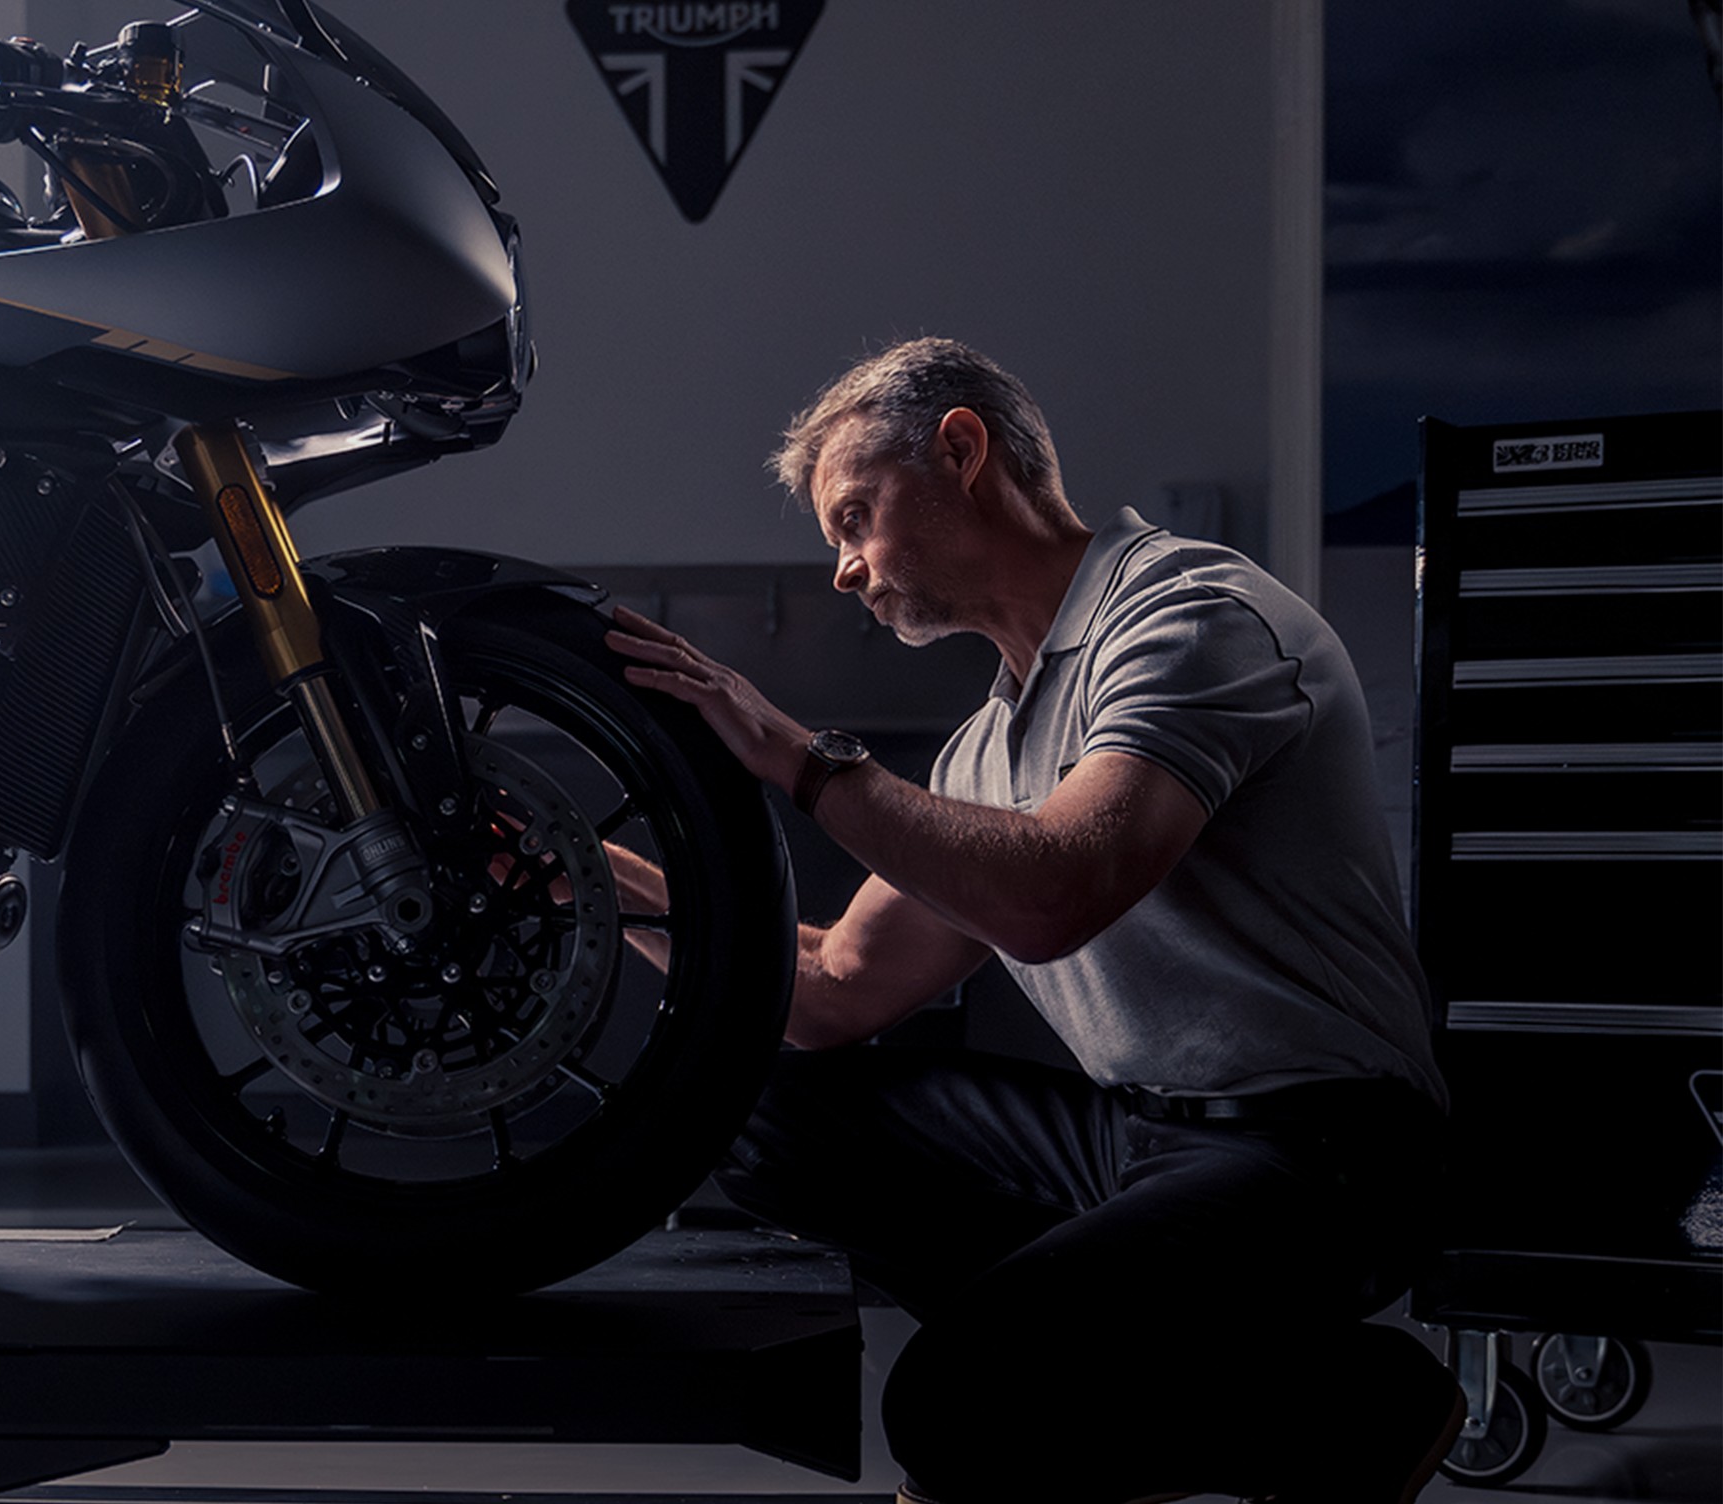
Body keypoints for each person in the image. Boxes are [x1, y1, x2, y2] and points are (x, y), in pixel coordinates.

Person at [602, 338, 1465, 1503]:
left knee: (949, 1408)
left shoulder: (1188, 616)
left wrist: (798, 760)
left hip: (1325, 1154)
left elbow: (1057, 888)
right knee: (768, 1106)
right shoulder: (986, 745)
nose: (845, 572)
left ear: (962, 450)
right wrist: (596, 886)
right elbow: (831, 995)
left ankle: (1350, 1405)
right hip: (1133, 1142)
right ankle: (1163, 1361)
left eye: (853, 518)